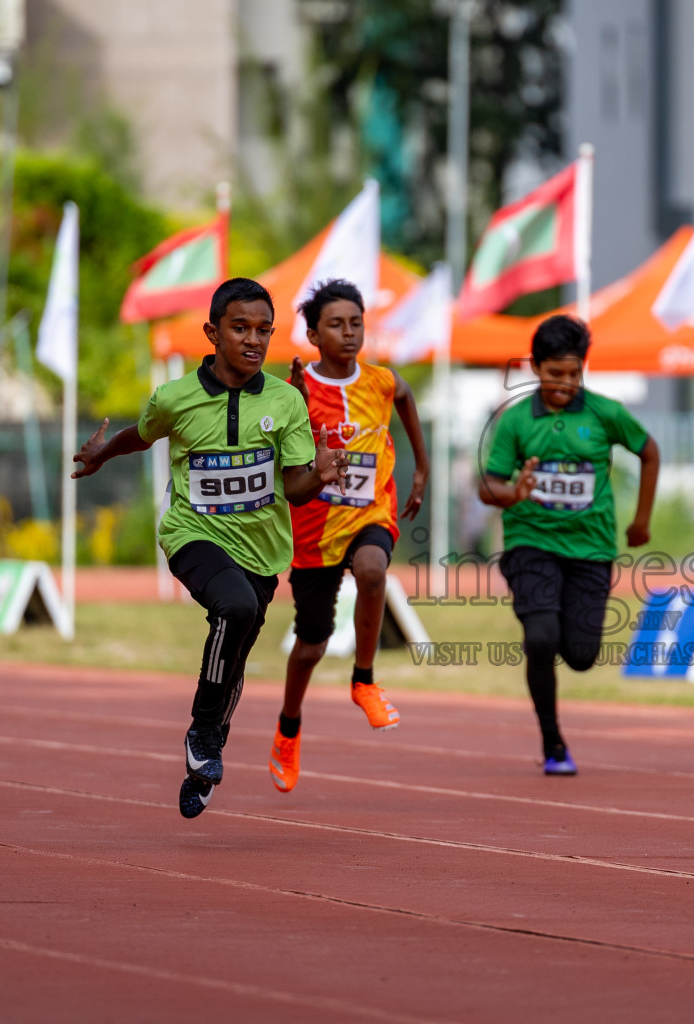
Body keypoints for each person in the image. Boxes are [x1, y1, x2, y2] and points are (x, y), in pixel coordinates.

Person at [72, 277, 347, 818]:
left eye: (263, 330)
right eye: (239, 328)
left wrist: (319, 475)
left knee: (237, 649)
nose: (252, 340)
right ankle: (202, 732)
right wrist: (104, 454)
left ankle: (209, 747)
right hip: (192, 534)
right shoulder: (176, 398)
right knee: (235, 607)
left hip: (263, 551)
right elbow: (144, 433)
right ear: (212, 332)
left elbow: (293, 487)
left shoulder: (285, 401)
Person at [269, 279, 430, 794]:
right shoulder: (297, 389)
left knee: (373, 571)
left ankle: (364, 680)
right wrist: (294, 403)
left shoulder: (381, 381)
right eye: (336, 324)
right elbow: (280, 456)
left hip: (370, 514)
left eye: (356, 322)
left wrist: (421, 469)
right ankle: (288, 726)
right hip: (314, 531)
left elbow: (405, 397)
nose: (349, 332)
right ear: (313, 334)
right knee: (311, 646)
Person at [481, 315, 660, 775]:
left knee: (581, 657)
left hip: (591, 549)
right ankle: (552, 741)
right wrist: (514, 493)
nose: (564, 383)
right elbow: (488, 487)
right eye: (554, 373)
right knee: (541, 638)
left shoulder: (605, 412)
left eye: (573, 374)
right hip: (531, 543)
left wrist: (642, 520)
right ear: (535, 368)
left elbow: (649, 450)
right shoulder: (516, 419)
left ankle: (560, 631)